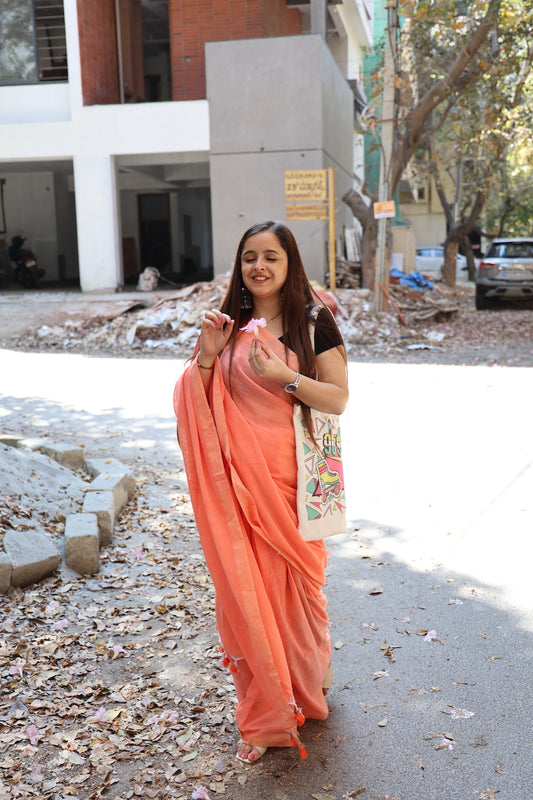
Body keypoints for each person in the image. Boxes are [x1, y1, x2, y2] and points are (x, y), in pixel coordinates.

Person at [174, 220, 348, 764]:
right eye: (250, 257)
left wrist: (282, 376)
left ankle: (304, 677)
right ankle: (268, 709)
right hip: (239, 490)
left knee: (299, 590)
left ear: (290, 263)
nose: (259, 267)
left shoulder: (313, 322)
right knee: (248, 597)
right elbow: (196, 403)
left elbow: (338, 400)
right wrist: (206, 356)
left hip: (293, 484)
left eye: (271, 256)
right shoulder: (227, 324)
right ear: (240, 266)